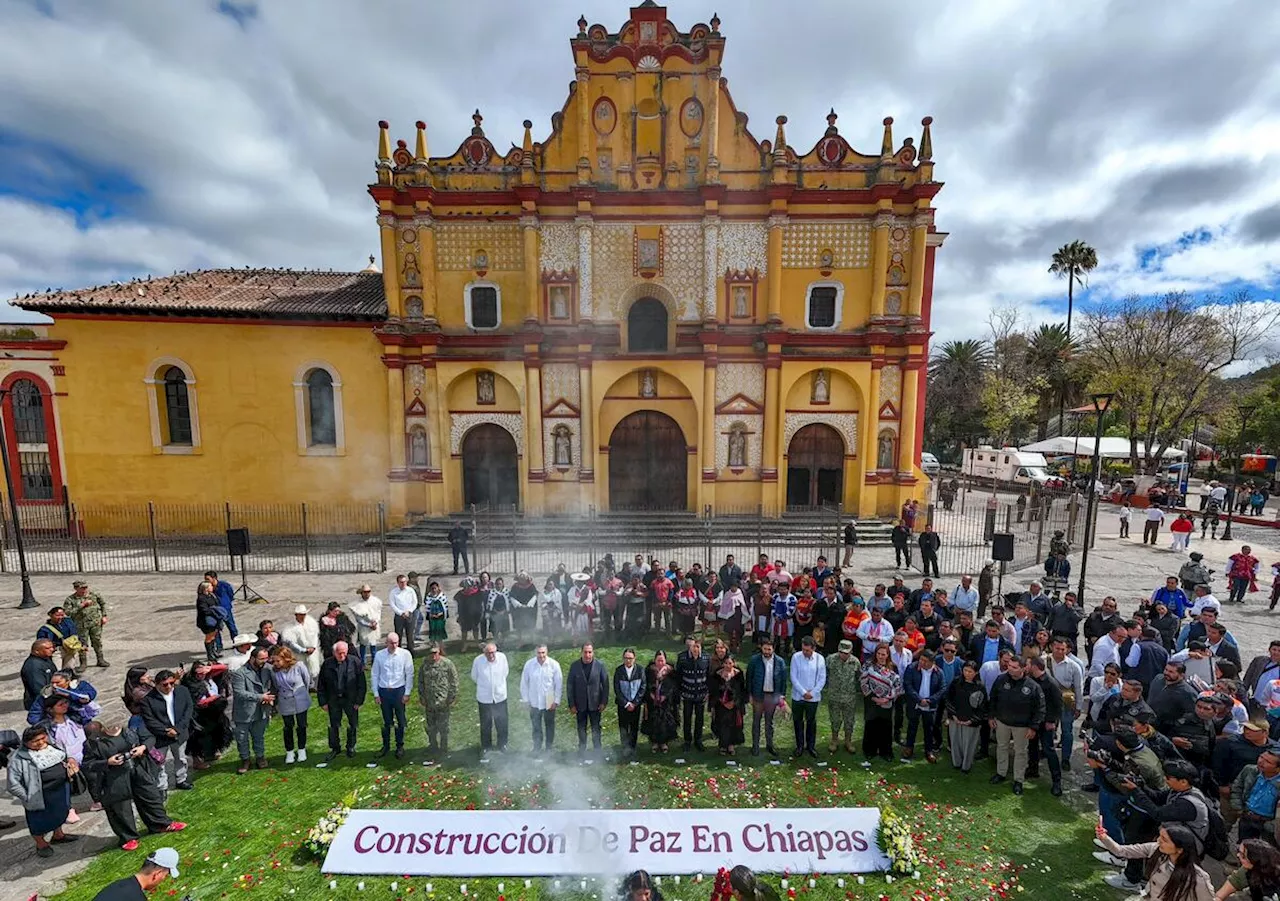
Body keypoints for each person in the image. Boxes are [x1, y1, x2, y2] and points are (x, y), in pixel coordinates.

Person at [83, 719, 182, 850]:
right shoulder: (94, 742)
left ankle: (161, 824)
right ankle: (128, 837)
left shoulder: (131, 730)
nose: (115, 727)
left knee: (150, 796)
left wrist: (143, 747)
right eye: (111, 726)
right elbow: (87, 765)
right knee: (120, 807)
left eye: (117, 725)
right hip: (114, 777)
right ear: (103, 726)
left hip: (137, 768)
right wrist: (107, 762)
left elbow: (150, 738)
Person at [7, 724, 79, 858]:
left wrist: (70, 763)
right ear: (26, 742)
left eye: (42, 738)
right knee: (38, 821)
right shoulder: (18, 758)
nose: (40, 742)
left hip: (60, 790)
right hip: (38, 796)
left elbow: (64, 757)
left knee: (60, 813)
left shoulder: (52, 747)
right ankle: (41, 844)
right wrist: (27, 797)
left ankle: (58, 835)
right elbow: (13, 784)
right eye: (35, 741)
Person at [1093, 822, 1214, 900]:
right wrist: (1104, 838)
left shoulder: (1198, 878)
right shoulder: (1156, 849)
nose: (1159, 841)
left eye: (1165, 840)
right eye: (1160, 836)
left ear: (1180, 849)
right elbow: (1122, 851)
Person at [989, 656, 1044, 795]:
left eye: (1014, 667)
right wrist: (990, 716)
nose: (1010, 669)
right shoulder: (1001, 680)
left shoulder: (1032, 686)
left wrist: (1033, 727)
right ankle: (1001, 773)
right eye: (1009, 666)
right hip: (1002, 722)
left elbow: (1040, 708)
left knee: (1020, 752)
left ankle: (1018, 780)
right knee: (1002, 747)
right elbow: (993, 698)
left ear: (1024, 668)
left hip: (1022, 726)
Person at [137, 668, 194, 793]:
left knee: (181, 759)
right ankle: (162, 787)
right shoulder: (148, 700)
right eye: (165, 684)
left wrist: (178, 729)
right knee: (159, 763)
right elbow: (149, 720)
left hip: (179, 733)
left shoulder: (182, 691)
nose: (169, 686)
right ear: (157, 684)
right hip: (160, 737)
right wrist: (165, 731)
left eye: (172, 683)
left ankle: (181, 779)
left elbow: (188, 709)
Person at [316, 641, 364, 761]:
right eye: (339, 653)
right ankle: (335, 748)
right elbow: (321, 684)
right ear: (334, 652)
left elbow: (361, 683)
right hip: (333, 699)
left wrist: (359, 700)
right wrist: (323, 701)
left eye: (344, 653)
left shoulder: (355, 662)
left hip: (351, 699)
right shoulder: (327, 664)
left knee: (352, 723)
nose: (342, 655)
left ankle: (351, 746)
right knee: (334, 724)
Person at [230, 647, 274, 773]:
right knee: (242, 738)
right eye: (261, 659)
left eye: (266, 658)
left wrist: (271, 696)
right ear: (253, 658)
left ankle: (260, 757)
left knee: (259, 736)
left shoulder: (267, 669)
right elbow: (239, 693)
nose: (264, 661)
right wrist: (261, 697)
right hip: (244, 712)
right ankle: (245, 759)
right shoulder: (240, 673)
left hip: (261, 710)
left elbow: (276, 683)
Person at [1024, 656, 1064, 795]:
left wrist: (1052, 721)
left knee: (1048, 750)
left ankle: (1057, 781)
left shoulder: (1051, 683)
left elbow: (1058, 705)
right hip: (1034, 720)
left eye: (1029, 664)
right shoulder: (1030, 680)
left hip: (1046, 722)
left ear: (1035, 666)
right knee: (1032, 746)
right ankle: (1033, 769)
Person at [371, 632, 413, 759]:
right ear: (386, 643)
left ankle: (400, 746)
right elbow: (375, 675)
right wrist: (376, 693)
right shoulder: (379, 655)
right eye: (391, 643)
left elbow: (409, 674)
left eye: (396, 642)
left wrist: (407, 693)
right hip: (384, 691)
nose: (394, 645)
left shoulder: (405, 654)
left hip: (398, 690)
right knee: (386, 720)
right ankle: (386, 746)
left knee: (400, 720)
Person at [181, 660, 230, 770]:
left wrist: (210, 668)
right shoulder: (191, 683)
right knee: (197, 737)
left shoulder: (208, 677)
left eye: (203, 673)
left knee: (214, 733)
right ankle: (197, 761)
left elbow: (224, 667)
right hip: (199, 714)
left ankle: (210, 754)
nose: (201, 675)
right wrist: (213, 699)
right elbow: (197, 701)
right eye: (199, 673)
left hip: (213, 711)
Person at [861, 643, 902, 762]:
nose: (880, 656)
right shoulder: (868, 665)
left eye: (883, 654)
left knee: (885, 726)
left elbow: (897, 685)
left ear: (887, 654)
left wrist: (886, 698)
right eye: (878, 654)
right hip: (871, 700)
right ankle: (869, 751)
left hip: (887, 701)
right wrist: (874, 698)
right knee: (871, 725)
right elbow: (863, 682)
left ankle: (886, 752)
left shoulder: (893, 666)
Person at [269, 646, 311, 764]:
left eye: (278, 661)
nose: (276, 663)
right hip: (285, 700)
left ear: (286, 659)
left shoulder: (299, 666)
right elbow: (276, 686)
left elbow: (306, 680)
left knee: (302, 725)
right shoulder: (274, 671)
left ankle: (302, 749)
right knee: (288, 727)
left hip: (300, 699)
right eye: (275, 661)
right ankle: (290, 751)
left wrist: (303, 694)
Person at [746, 638, 787, 757]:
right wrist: (749, 695)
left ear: (773, 649)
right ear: (761, 648)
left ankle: (770, 745)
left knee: (769, 723)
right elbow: (749, 678)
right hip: (758, 695)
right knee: (756, 722)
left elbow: (783, 680)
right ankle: (755, 746)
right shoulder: (754, 660)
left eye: (769, 649)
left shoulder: (780, 662)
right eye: (765, 649)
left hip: (772, 696)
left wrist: (782, 696)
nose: (767, 651)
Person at [90, 847, 181, 901]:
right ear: (157, 874)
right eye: (165, 876)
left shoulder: (118, 885)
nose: (163, 879)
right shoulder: (136, 898)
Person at [519, 645, 563, 755]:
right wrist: (525, 700)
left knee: (549, 725)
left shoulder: (554, 665)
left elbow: (558, 684)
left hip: (549, 699)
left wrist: (556, 700)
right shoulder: (529, 665)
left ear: (547, 652)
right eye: (539, 653)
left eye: (543, 652)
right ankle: (537, 747)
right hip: (534, 699)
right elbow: (524, 683)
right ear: (535, 652)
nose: (541, 655)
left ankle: (549, 747)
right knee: (536, 725)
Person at [903, 648, 944, 763]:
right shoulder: (911, 668)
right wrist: (919, 699)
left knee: (929, 728)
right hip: (915, 703)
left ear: (932, 662)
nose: (922, 663)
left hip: (929, 706)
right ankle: (909, 747)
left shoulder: (938, 672)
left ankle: (929, 751)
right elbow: (908, 685)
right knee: (912, 726)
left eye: (925, 661)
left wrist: (930, 700)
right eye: (921, 660)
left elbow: (942, 689)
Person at [946, 659, 988, 773]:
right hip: (956, 718)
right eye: (965, 670)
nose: (967, 674)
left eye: (970, 672)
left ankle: (966, 766)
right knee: (955, 742)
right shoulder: (956, 683)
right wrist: (953, 715)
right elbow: (949, 699)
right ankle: (956, 762)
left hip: (970, 721)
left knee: (969, 744)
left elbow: (982, 707)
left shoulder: (980, 687)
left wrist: (972, 720)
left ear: (976, 673)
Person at [1230, 747, 1280, 842]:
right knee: (1245, 847)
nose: (1261, 762)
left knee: (1268, 852)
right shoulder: (1250, 770)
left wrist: (1272, 825)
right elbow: (1237, 787)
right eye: (1261, 757)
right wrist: (1238, 809)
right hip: (1247, 817)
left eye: (1268, 762)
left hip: (1268, 823)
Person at [471, 642, 510, 756]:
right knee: (486, 723)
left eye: (493, 652)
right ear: (484, 653)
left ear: (496, 651)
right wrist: (485, 686)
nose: (491, 655)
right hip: (484, 698)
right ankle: (486, 746)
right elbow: (474, 676)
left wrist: (497, 686)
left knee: (502, 722)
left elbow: (505, 673)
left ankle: (502, 744)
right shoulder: (478, 661)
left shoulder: (502, 658)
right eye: (488, 653)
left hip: (500, 697)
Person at [790, 636, 826, 758]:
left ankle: (811, 746)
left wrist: (813, 692)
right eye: (804, 649)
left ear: (813, 648)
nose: (805, 652)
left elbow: (822, 678)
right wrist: (803, 692)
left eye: (808, 650)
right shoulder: (796, 657)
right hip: (798, 697)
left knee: (811, 722)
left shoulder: (820, 659)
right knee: (798, 721)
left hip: (813, 698)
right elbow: (793, 677)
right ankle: (799, 746)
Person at [825, 639, 861, 754]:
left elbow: (859, 678)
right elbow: (824, 674)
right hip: (834, 696)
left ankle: (848, 741)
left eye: (846, 653)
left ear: (851, 652)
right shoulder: (830, 660)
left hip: (849, 697)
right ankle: (834, 740)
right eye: (841, 652)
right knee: (835, 720)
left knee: (849, 720)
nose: (843, 655)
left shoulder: (855, 662)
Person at [1215, 838, 1280, 901]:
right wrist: (1218, 898)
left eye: (1243, 855)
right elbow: (1232, 884)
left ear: (1254, 860)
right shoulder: (1247, 870)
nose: (1238, 855)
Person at [676, 639, 710, 752]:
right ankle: (687, 741)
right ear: (689, 647)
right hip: (687, 694)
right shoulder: (682, 658)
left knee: (700, 718)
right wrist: (680, 692)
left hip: (701, 694)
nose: (695, 649)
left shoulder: (706, 658)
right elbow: (679, 676)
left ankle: (698, 740)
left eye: (697, 646)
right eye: (692, 646)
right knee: (687, 717)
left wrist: (708, 691)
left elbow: (709, 675)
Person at [66, 580, 109, 670]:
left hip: (95, 623)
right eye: (82, 588)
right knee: (82, 644)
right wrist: (82, 605)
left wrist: (104, 616)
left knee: (97, 641)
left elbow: (102, 604)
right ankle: (83, 663)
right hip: (81, 625)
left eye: (86, 587)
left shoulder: (94, 595)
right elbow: (68, 612)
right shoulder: (70, 600)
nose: (84, 590)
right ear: (76, 588)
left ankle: (100, 659)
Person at [642, 650, 679, 753]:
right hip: (652, 701)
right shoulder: (649, 671)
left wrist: (665, 695)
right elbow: (645, 684)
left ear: (665, 660)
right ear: (655, 661)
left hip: (666, 702)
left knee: (665, 722)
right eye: (658, 660)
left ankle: (664, 742)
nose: (660, 663)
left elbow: (674, 686)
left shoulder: (670, 672)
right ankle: (654, 742)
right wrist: (651, 694)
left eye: (662, 660)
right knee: (653, 721)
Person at [709, 656, 747, 755]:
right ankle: (722, 746)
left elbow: (742, 691)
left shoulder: (739, 675)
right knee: (722, 725)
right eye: (726, 663)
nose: (728, 665)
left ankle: (731, 745)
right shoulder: (717, 675)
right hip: (720, 705)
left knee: (734, 725)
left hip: (735, 705)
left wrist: (734, 702)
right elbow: (713, 690)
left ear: (734, 663)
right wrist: (720, 701)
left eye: (730, 663)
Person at [614, 648, 646, 759]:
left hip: (635, 706)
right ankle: (625, 748)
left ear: (634, 659)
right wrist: (626, 703)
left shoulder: (640, 670)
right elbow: (617, 689)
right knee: (623, 727)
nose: (628, 661)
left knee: (633, 727)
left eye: (630, 658)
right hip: (623, 705)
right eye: (626, 658)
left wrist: (635, 703)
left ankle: (632, 748)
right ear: (623, 659)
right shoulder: (619, 671)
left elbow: (643, 688)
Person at [282, 605, 321, 679]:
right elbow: (292, 643)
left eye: (304, 614)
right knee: (300, 671)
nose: (302, 616)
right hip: (299, 654)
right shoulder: (290, 628)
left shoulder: (311, 623)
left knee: (313, 670)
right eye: (300, 615)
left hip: (312, 652)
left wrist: (313, 647)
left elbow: (315, 636)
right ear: (296, 615)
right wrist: (304, 650)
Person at [348, 584, 383, 668]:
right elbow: (359, 619)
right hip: (364, 627)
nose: (367, 594)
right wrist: (368, 624)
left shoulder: (376, 601)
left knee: (373, 644)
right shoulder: (357, 604)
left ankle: (374, 661)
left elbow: (378, 613)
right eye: (365, 592)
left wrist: (375, 622)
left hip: (374, 625)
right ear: (362, 593)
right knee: (363, 645)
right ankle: (363, 663)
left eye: (368, 592)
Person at [38, 606, 82, 671]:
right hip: (57, 651)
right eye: (57, 615)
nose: (60, 617)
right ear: (50, 615)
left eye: (62, 615)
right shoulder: (44, 629)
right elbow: (41, 643)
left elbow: (76, 633)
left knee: (69, 668)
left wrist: (82, 643)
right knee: (57, 670)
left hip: (71, 649)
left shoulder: (68, 622)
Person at [204, 571, 238, 652]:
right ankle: (219, 646)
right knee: (216, 630)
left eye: (208, 579)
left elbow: (231, 594)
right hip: (215, 611)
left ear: (214, 578)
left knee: (232, 627)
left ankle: (236, 643)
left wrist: (227, 602)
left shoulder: (224, 585)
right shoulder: (207, 587)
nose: (206, 581)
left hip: (226, 610)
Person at [21, 640, 57, 709]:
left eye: (52, 647)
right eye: (47, 648)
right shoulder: (33, 666)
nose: (52, 650)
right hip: (39, 704)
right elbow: (40, 689)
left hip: (50, 700)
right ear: (36, 651)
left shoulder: (45, 659)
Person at [388, 574, 419, 654]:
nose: (403, 584)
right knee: (398, 634)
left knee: (410, 635)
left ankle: (411, 652)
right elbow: (392, 604)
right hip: (399, 616)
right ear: (398, 583)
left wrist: (409, 611)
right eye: (401, 582)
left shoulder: (410, 590)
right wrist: (401, 613)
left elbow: (414, 602)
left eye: (405, 582)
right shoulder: (394, 592)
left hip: (409, 615)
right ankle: (398, 652)